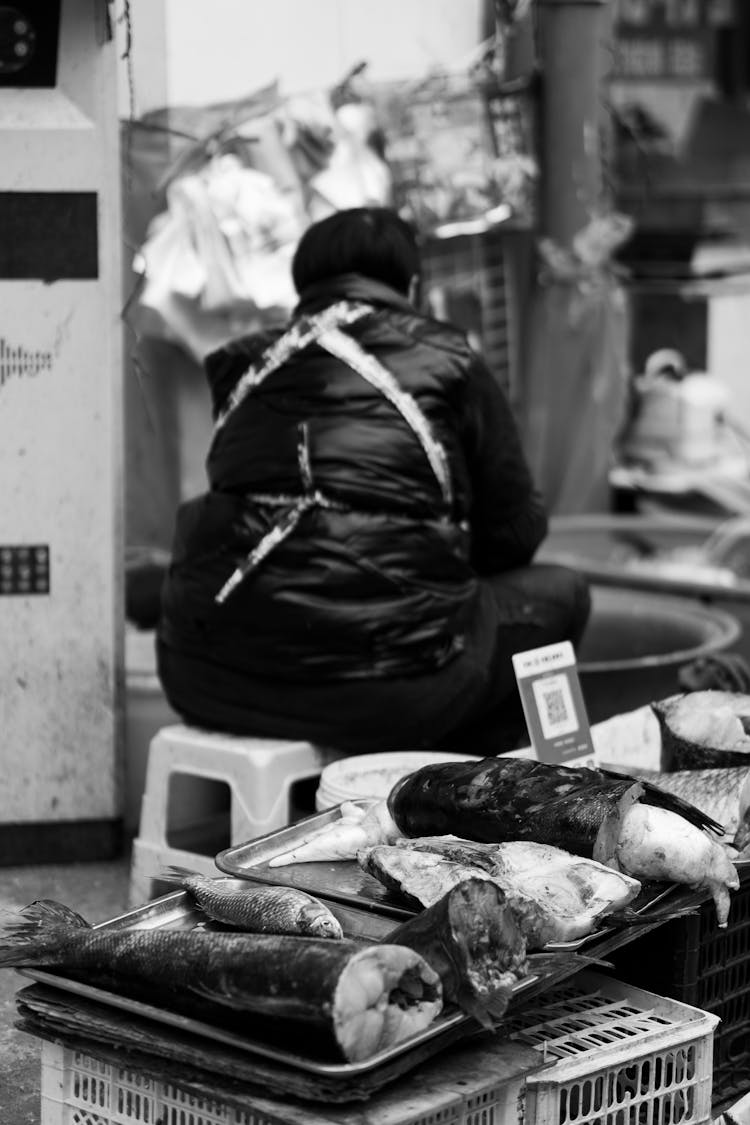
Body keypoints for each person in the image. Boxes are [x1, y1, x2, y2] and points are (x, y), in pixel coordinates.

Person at [156, 206, 591, 755]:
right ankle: (512, 790)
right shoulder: (448, 357)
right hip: (395, 693)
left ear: (302, 286)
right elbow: (515, 532)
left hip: (205, 680)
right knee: (562, 593)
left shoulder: (239, 365)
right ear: (411, 285)